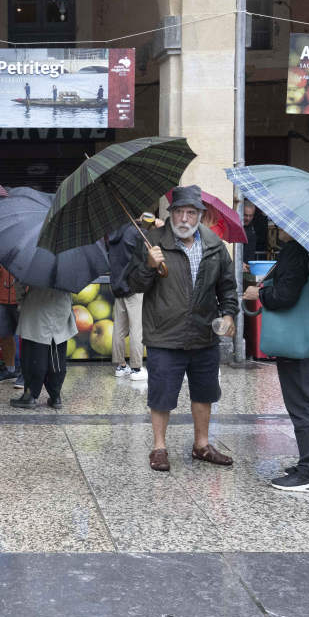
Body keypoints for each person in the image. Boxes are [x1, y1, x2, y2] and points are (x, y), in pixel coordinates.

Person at [123, 185, 237, 473]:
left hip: (204, 333)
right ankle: (159, 447)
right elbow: (134, 284)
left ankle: (202, 445)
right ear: (170, 213)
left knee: (205, 392)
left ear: (200, 215)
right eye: (179, 212)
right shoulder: (152, 242)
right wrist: (149, 266)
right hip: (165, 334)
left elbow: (227, 287)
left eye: (191, 212)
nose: (184, 218)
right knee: (161, 394)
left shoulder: (214, 244)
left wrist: (230, 314)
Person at [244, 226, 309, 493]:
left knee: (303, 401)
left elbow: (284, 297)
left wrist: (260, 294)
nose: (277, 229)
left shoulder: (296, 251)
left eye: (281, 225)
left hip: (300, 337)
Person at [9, 284, 75, 409]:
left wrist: (22, 300)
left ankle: (30, 396)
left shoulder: (32, 264)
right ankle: (56, 396)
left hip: (36, 306)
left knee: (33, 355)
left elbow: (20, 283)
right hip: (60, 306)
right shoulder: (70, 265)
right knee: (56, 356)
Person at [106, 217, 149, 381]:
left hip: (118, 286)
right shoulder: (137, 233)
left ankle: (120, 365)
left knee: (119, 328)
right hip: (134, 286)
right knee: (136, 328)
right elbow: (148, 254)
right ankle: (137, 368)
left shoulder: (113, 233)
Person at [0, 262, 22, 385]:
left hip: (22, 296)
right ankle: (10, 370)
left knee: (27, 337)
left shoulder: (30, 244)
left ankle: (26, 373)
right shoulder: (2, 246)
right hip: (2, 296)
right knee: (4, 334)